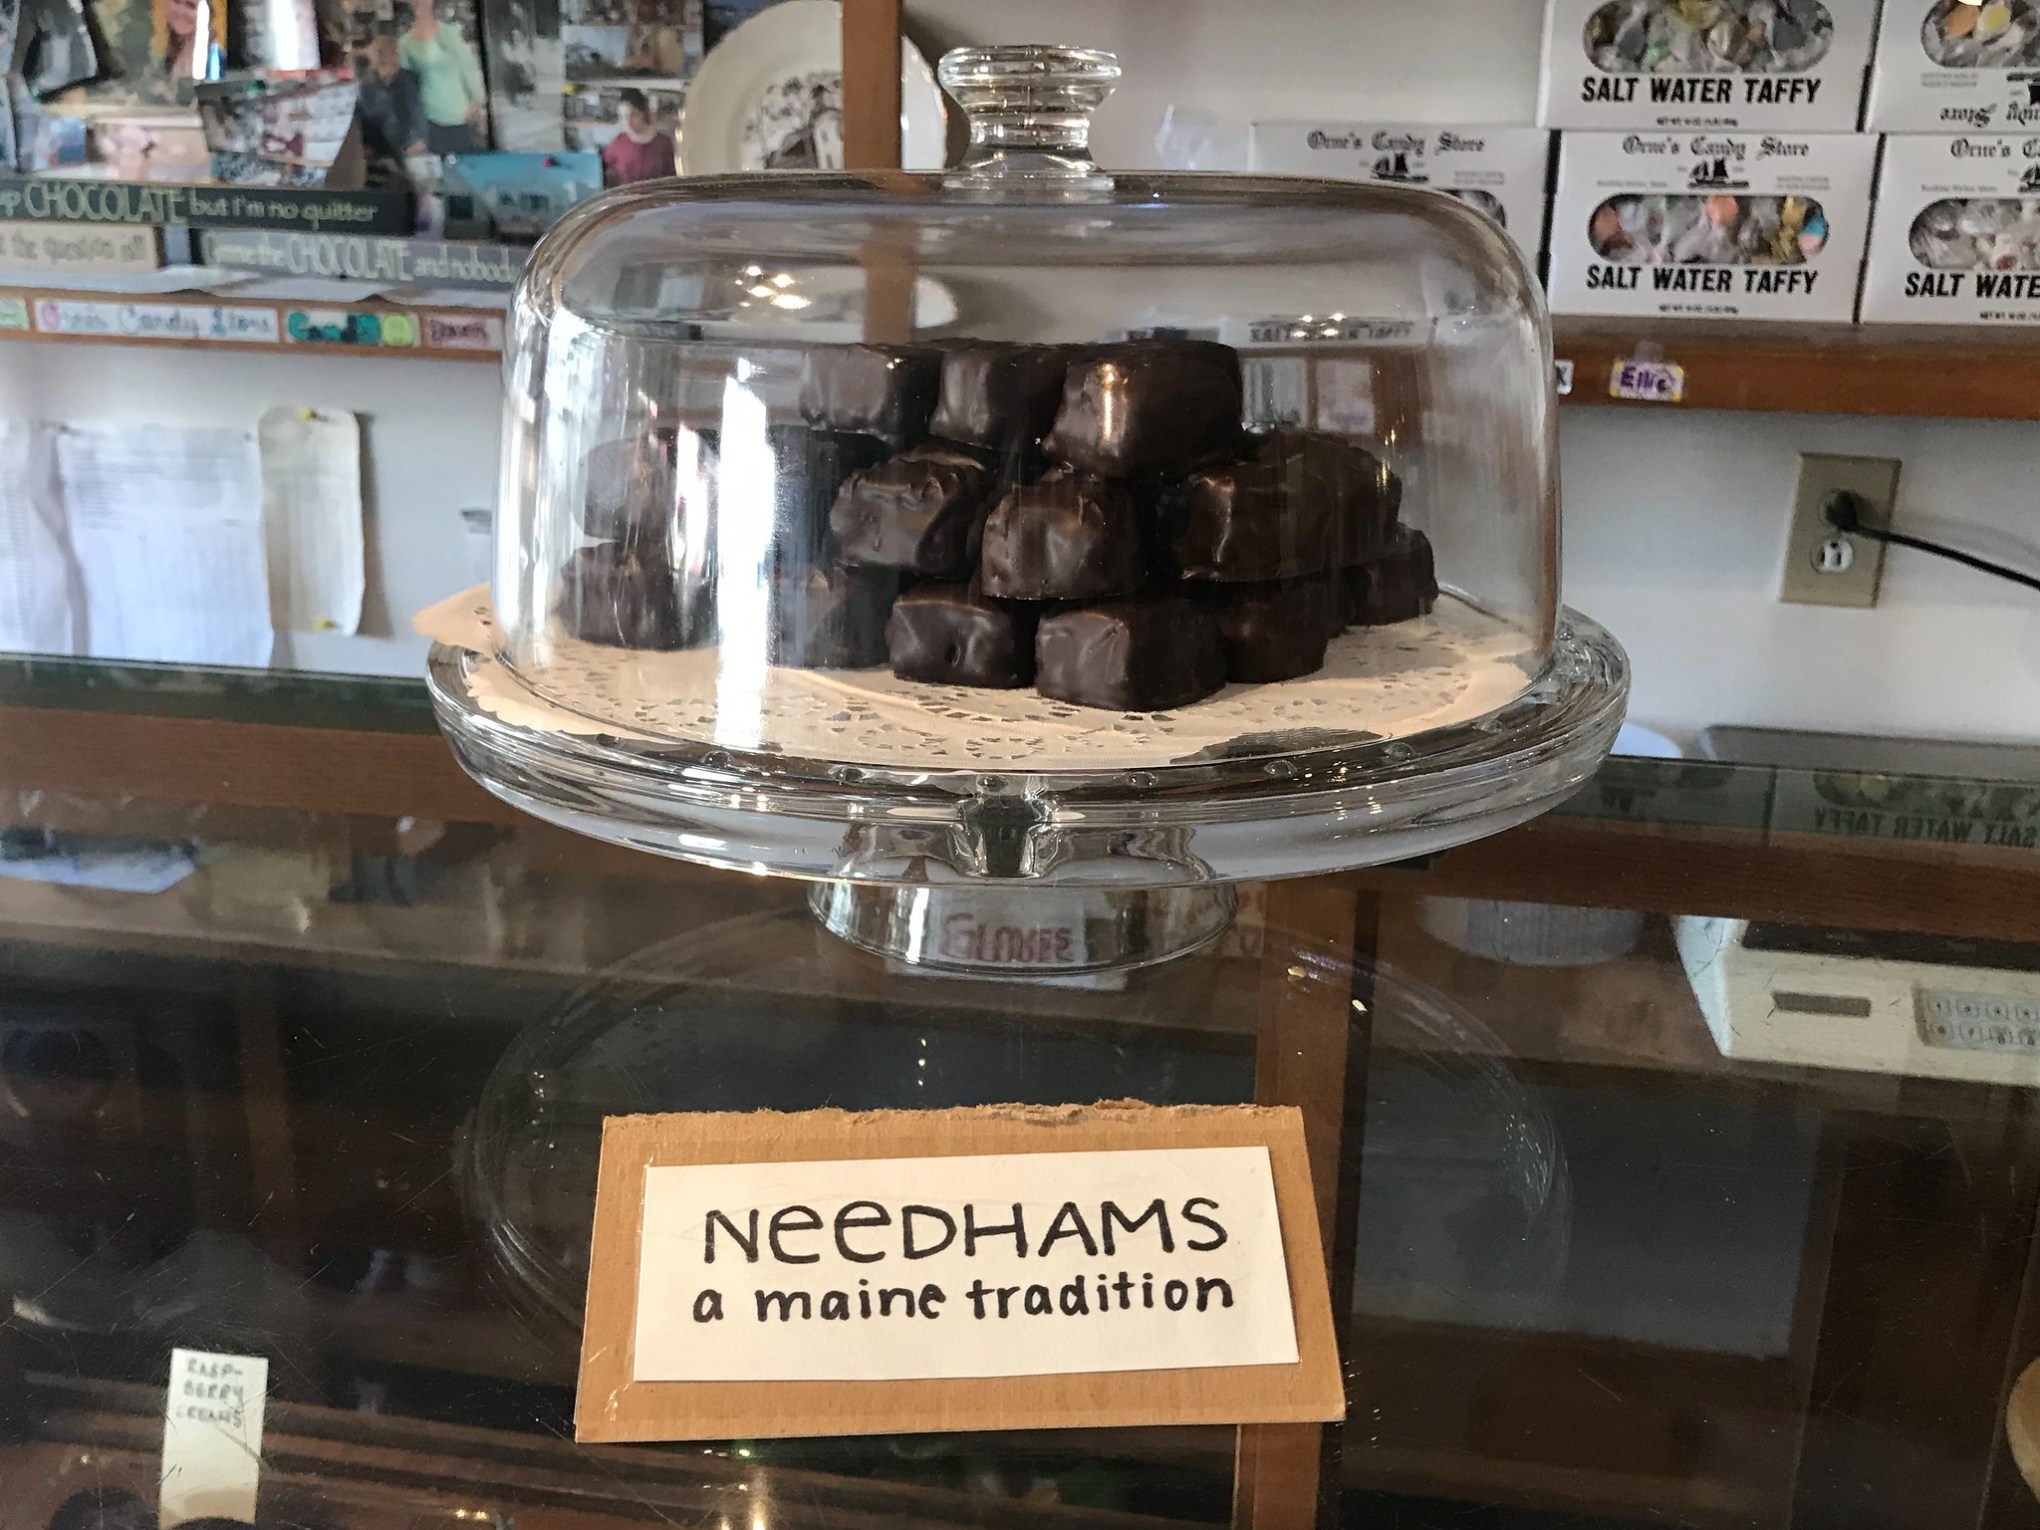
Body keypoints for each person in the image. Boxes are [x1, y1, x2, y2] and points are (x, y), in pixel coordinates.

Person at [399, 3, 489, 155]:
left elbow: (468, 68)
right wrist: (417, 133)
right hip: (431, 120)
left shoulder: (451, 33)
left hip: (462, 115)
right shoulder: (405, 44)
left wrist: (477, 103)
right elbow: (409, 91)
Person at [354, 33, 428, 160]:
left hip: (410, 146)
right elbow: (362, 118)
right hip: (380, 151)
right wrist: (365, 146)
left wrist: (420, 139)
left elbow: (419, 111)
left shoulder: (409, 80)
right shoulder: (366, 85)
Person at [600, 87, 674, 184]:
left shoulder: (663, 143)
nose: (628, 122)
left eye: (633, 115)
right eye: (623, 117)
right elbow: (604, 174)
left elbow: (672, 177)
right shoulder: (617, 144)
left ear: (643, 114)